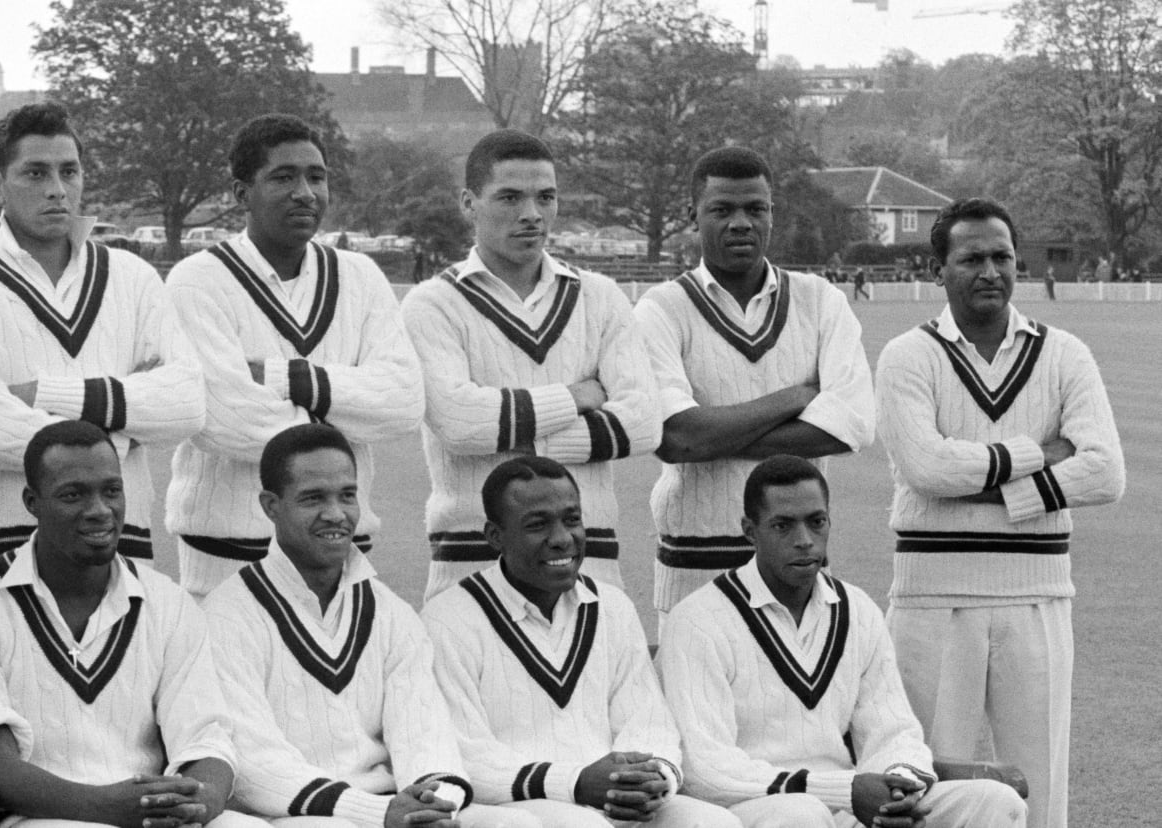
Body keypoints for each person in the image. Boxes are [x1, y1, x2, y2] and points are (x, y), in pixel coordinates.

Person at [873, 198, 1124, 828]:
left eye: (1002, 256)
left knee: (1041, 789)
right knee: (921, 783)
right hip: (931, 599)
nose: (990, 271)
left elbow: (1105, 472)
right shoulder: (908, 355)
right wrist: (1038, 455)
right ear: (938, 270)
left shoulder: (1065, 354)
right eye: (971, 258)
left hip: (1036, 594)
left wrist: (991, 486)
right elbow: (924, 468)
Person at [658, 456, 1027, 827]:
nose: (804, 540)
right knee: (802, 815)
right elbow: (706, 769)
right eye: (782, 526)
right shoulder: (699, 620)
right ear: (750, 531)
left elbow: (893, 732)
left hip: (848, 803)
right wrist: (842, 790)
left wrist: (896, 787)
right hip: (754, 807)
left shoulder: (856, 610)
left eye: (816, 522)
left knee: (994, 801)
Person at [0, 102, 202, 588]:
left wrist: (42, 395)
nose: (56, 189)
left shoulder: (132, 277)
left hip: (120, 550)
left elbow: (187, 405)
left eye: (68, 171)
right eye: (35, 173)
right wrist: (122, 427)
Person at [0, 421, 264, 828]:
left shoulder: (168, 603)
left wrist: (199, 802)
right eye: (73, 494)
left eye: (111, 490)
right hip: (40, 818)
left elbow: (204, 737)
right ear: (32, 502)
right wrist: (105, 807)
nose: (100, 510)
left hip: (150, 812)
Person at [208, 424, 537, 828]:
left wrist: (433, 805)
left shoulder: (389, 612)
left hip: (389, 806)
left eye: (347, 495)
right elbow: (254, 766)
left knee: (515, 824)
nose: (336, 513)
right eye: (313, 498)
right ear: (271, 505)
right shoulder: (227, 613)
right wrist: (378, 814)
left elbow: (426, 737)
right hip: (291, 814)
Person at [164, 114, 423, 597]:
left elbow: (404, 404)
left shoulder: (360, 275)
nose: (306, 192)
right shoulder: (196, 280)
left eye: (317, 177)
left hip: (342, 550)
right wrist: (347, 408)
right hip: (226, 557)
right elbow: (226, 421)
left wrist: (283, 378)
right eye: (284, 177)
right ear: (242, 194)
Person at [402, 130, 657, 600]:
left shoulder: (599, 297)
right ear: (468, 203)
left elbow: (643, 424)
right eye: (510, 198)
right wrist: (576, 398)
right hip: (471, 565)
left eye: (546, 197)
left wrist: (509, 436)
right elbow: (459, 424)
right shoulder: (431, 304)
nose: (532, 215)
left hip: (591, 565)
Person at [632, 147, 875, 632]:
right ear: (692, 215)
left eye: (755, 209)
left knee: (799, 707)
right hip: (692, 569)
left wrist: (715, 433)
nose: (741, 223)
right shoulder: (660, 309)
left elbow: (852, 426)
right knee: (697, 709)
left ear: (771, 213)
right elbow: (675, 439)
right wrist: (795, 398)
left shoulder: (820, 300)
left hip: (798, 568)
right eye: (722, 210)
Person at [421, 456, 737, 828]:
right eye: (537, 525)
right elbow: (463, 755)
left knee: (713, 823)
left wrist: (650, 778)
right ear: (495, 537)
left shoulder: (612, 606)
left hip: (606, 797)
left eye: (572, 520)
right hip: (512, 807)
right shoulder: (448, 619)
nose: (562, 539)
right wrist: (573, 783)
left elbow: (649, 721)